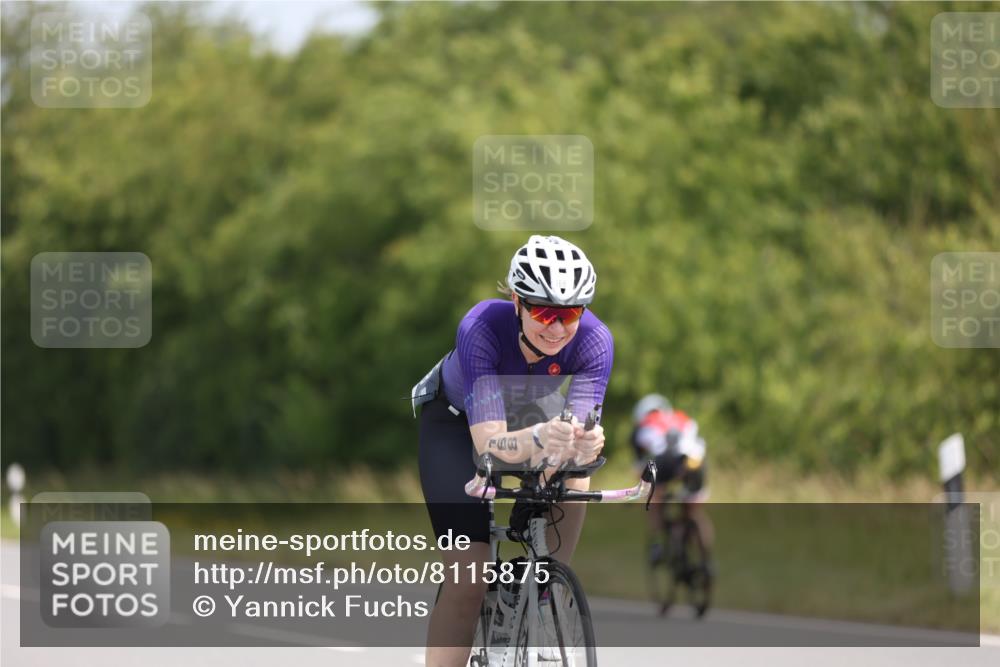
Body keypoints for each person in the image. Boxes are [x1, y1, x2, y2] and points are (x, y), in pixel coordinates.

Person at [413, 235, 613, 667]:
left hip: (529, 416)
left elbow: (580, 427)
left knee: (579, 465)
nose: (557, 328)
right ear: (517, 302)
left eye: (570, 313)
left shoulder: (596, 341)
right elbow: (490, 444)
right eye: (544, 312)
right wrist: (542, 437)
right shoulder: (481, 326)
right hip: (455, 426)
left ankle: (545, 587)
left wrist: (584, 441)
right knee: (470, 575)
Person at [630, 393, 714, 569]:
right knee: (694, 512)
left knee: (653, 500)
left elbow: (640, 468)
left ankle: (658, 544)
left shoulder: (642, 427)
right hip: (696, 462)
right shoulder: (681, 417)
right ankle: (707, 561)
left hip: (666, 461)